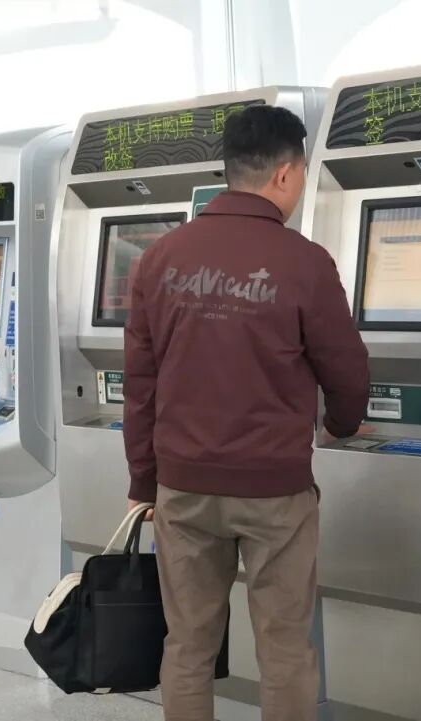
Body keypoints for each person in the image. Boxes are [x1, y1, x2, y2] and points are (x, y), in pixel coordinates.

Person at [122, 104, 370, 721]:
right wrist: (341, 424)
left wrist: (144, 481)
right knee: (283, 650)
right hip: (274, 491)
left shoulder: (159, 258)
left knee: (187, 646)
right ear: (285, 173)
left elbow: (140, 383)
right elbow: (347, 370)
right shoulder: (306, 262)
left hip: (184, 486)